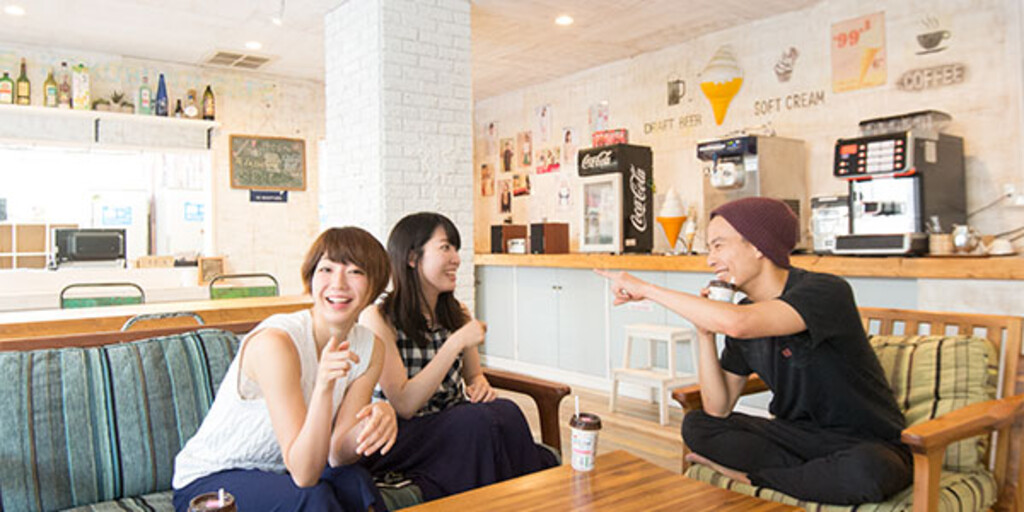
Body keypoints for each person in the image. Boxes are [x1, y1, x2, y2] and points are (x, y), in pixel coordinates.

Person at [596, 197, 911, 505]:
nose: (710, 260)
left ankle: (759, 478)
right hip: (794, 437)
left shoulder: (825, 291)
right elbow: (718, 408)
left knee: (868, 471)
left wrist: (647, 289)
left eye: (718, 245)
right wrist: (705, 334)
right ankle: (808, 477)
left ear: (759, 245)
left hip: (865, 442)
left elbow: (739, 324)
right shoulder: (744, 313)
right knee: (697, 426)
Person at [173, 227, 398, 512]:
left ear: (374, 286)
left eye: (356, 272)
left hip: (280, 471)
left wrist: (375, 420)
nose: (338, 283)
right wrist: (324, 387)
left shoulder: (370, 347)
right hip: (213, 481)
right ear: (311, 278)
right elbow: (305, 475)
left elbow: (338, 454)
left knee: (355, 481)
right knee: (312, 497)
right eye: (326, 269)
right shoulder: (276, 343)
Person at [359, 212, 557, 501]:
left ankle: (537, 502)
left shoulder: (457, 312)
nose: (456, 259)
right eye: (445, 248)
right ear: (412, 258)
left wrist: (480, 386)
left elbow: (474, 376)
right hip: (400, 433)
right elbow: (404, 404)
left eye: (456, 249)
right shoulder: (378, 317)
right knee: (475, 423)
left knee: (507, 411)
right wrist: (454, 343)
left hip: (454, 422)